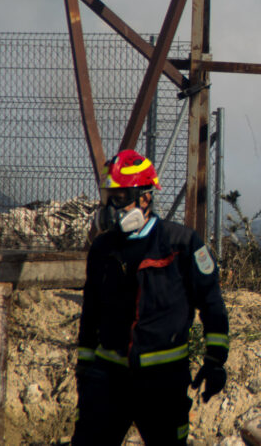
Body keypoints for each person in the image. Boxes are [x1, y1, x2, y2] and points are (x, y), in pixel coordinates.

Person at [73, 149, 230, 446]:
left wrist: (215, 359)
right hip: (109, 379)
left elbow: (211, 302)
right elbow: (91, 311)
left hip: (163, 383)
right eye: (110, 197)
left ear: (145, 198)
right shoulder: (103, 249)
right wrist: (85, 366)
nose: (111, 207)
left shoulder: (182, 244)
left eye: (120, 198)